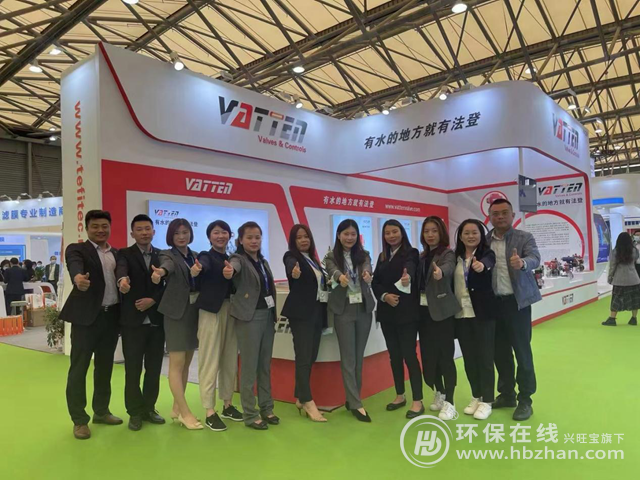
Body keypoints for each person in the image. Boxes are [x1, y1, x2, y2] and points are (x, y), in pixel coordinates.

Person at [59, 210, 122, 440]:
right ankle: (79, 420)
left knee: (104, 368)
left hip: (111, 317)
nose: (100, 230)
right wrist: (78, 278)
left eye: (104, 226)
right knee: (79, 369)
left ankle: (101, 411)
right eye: (95, 226)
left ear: (110, 227)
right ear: (87, 228)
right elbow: (74, 265)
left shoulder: (116, 254)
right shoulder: (77, 249)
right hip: (86, 319)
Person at [487, 198, 541, 421]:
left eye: (504, 213)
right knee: (499, 352)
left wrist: (523, 263)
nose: (500, 217)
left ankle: (525, 399)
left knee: (522, 351)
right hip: (492, 304)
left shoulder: (524, 237)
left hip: (517, 304)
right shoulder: (484, 241)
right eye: (495, 213)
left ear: (512, 215)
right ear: (490, 216)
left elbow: (535, 257)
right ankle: (507, 394)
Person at [226, 221, 279, 430]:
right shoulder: (238, 259)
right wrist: (229, 271)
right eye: (249, 237)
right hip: (249, 318)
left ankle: (267, 407)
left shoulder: (263, 262)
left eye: (257, 237)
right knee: (249, 366)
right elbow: (233, 268)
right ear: (240, 240)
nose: (254, 241)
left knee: (264, 365)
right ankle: (250, 413)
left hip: (267, 316)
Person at [116, 214, 166, 431]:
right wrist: (122, 281)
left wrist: (153, 300)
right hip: (133, 322)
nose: (144, 233)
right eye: (139, 229)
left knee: (154, 370)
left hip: (156, 322)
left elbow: (168, 284)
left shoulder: (162, 255)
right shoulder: (125, 254)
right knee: (133, 370)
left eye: (147, 229)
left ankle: (149, 408)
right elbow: (121, 270)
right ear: (132, 233)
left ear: (153, 231)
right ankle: (134, 412)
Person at [151, 218, 202, 430]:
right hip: (176, 314)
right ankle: (185, 412)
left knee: (187, 362)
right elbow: (167, 267)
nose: (182, 236)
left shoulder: (196, 256)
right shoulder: (167, 254)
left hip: (193, 312)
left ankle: (176, 407)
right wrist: (160, 272)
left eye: (185, 232)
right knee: (177, 363)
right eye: (177, 233)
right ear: (170, 236)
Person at [371, 220, 423, 419]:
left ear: (402, 233)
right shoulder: (382, 256)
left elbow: (410, 268)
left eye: (395, 231)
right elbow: (376, 282)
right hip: (387, 313)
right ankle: (400, 395)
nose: (391, 236)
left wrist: (407, 277)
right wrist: (385, 296)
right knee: (394, 356)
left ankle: (417, 400)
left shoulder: (411, 253)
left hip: (406, 313)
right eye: (387, 233)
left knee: (409, 355)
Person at [324, 219, 375, 423]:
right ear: (339, 235)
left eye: (353, 234)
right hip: (343, 310)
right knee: (348, 358)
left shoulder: (364, 254)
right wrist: (340, 278)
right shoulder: (331, 256)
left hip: (363, 308)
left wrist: (367, 274)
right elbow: (332, 270)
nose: (349, 237)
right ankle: (356, 403)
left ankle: (353, 398)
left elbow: (368, 267)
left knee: (358, 357)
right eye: (346, 234)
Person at [195, 220, 243, 432]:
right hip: (210, 312)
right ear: (209, 237)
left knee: (229, 359)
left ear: (230, 235)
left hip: (231, 311)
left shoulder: (232, 259)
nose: (220, 236)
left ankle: (227, 404)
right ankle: (209, 411)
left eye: (224, 232)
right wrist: (198, 269)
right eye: (216, 232)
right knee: (210, 359)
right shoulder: (206, 256)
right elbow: (202, 265)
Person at [416, 216, 461, 421]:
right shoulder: (422, 256)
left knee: (445, 357)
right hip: (423, 314)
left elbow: (448, 267)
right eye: (426, 231)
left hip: (442, 314)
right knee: (429, 357)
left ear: (441, 232)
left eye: (434, 230)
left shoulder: (447, 254)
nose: (430, 235)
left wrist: (440, 272)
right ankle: (440, 392)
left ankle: (450, 401)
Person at [282, 224, 328, 422]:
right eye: (299, 237)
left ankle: (300, 397)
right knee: (303, 356)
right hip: (301, 314)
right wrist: (294, 272)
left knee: (311, 356)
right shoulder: (291, 257)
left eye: (306, 236)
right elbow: (291, 267)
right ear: (294, 241)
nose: (303, 240)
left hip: (317, 312)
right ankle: (308, 401)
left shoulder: (314, 260)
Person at [453, 219, 497, 420]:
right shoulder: (456, 257)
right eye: (466, 233)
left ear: (481, 235)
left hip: (482, 314)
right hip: (461, 315)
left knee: (485, 358)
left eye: (475, 233)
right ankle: (476, 396)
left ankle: (487, 400)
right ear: (460, 236)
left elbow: (489, 262)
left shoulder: (487, 254)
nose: (470, 236)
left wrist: (481, 266)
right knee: (469, 358)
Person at [603, 232, 640, 326]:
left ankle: (612, 319)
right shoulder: (634, 250)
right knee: (634, 299)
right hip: (633, 279)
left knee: (616, 299)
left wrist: (610, 277)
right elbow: (635, 260)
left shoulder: (615, 251)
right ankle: (634, 319)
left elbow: (612, 266)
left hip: (619, 279)